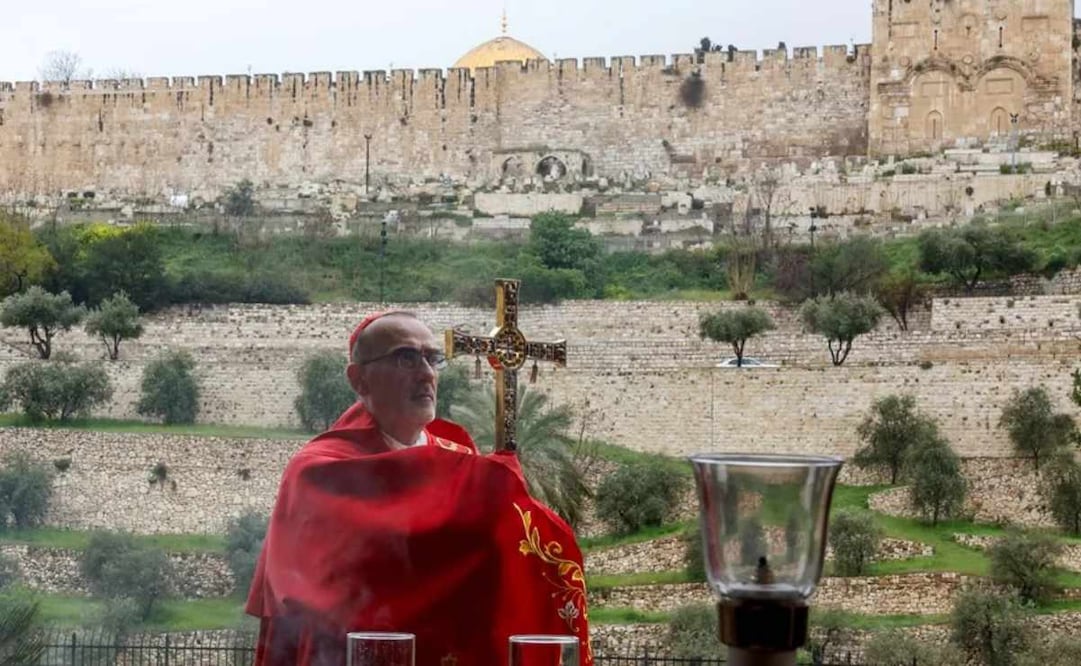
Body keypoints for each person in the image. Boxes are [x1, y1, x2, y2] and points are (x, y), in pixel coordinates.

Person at [245, 311, 592, 666]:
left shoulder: (461, 457)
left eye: (432, 358)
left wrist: (505, 502)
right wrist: (490, 488)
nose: (426, 373)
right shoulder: (318, 471)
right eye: (406, 358)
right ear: (359, 379)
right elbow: (370, 567)